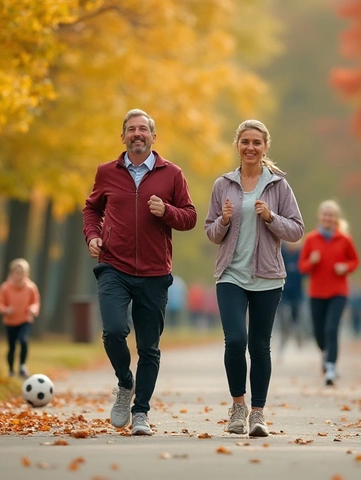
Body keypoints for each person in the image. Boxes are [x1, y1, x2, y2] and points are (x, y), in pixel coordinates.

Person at [83, 109, 197, 436]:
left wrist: (167, 212)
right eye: (131, 129)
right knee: (114, 331)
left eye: (143, 129)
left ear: (153, 136)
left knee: (149, 348)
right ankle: (125, 382)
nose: (137, 133)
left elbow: (189, 217)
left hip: (154, 272)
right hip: (113, 266)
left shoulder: (172, 174)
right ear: (122, 137)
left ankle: (142, 412)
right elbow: (92, 208)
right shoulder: (107, 172)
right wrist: (92, 235)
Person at [205, 119, 304, 437]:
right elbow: (210, 231)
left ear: (265, 147)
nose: (250, 147)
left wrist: (271, 217)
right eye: (245, 142)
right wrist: (223, 221)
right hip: (231, 274)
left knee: (260, 346)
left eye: (256, 143)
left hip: (267, 276)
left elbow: (297, 230)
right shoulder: (223, 184)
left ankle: (258, 414)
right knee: (235, 340)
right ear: (238, 145)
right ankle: (238, 407)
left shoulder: (278, 185)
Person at [298, 200, 359, 386]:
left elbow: (355, 261)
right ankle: (326, 353)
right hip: (316, 292)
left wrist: (345, 267)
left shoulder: (344, 239)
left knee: (331, 329)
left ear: (336, 218)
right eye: (325, 214)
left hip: (338, 292)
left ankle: (330, 367)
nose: (328, 218)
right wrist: (313, 262)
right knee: (319, 333)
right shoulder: (311, 239)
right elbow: (302, 267)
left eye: (331, 215)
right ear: (320, 217)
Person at [0, 258, 40, 378]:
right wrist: (5, 310)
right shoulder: (5, 288)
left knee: (23, 340)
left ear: (26, 274)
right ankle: (11, 370)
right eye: (17, 273)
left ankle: (22, 366)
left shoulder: (31, 288)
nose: (19, 276)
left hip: (25, 320)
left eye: (22, 273)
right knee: (12, 346)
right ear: (11, 273)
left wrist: (32, 310)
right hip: (10, 321)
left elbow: (35, 303)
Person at [277, 240, 305, 355]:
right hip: (283, 292)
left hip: (297, 293)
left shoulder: (301, 254)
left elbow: (305, 271)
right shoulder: (281, 252)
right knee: (283, 317)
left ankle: (298, 334)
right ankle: (284, 338)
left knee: (296, 317)